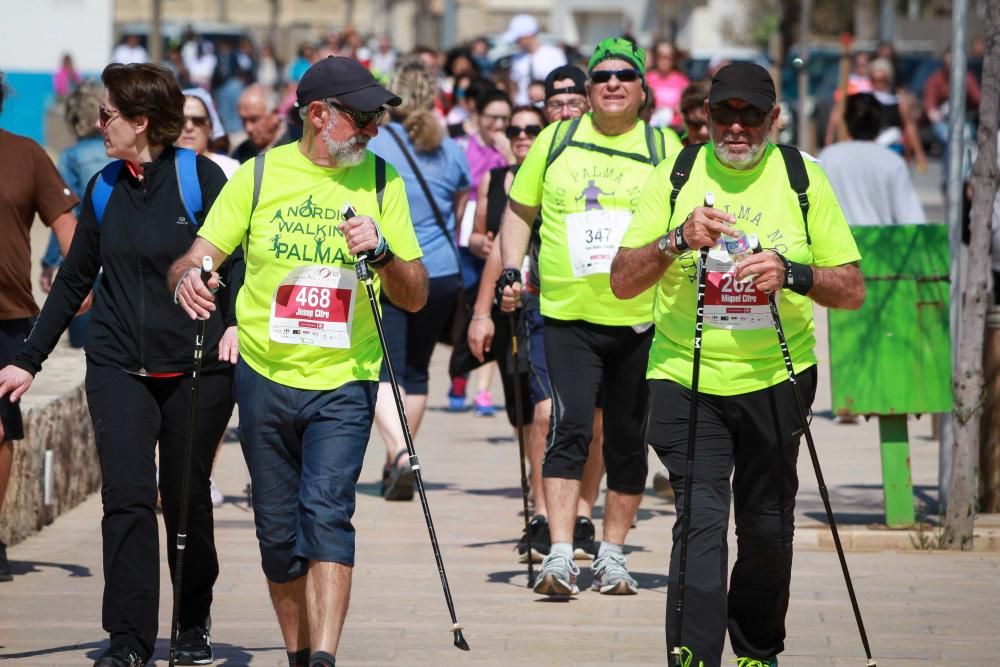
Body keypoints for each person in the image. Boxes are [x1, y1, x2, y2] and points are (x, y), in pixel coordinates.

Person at [169, 56, 426, 667]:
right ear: (318, 115)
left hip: (345, 377)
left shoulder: (384, 182)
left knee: (328, 516)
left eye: (377, 119)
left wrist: (384, 253)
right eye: (361, 119)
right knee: (277, 535)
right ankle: (298, 653)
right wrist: (187, 280)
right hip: (263, 374)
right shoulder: (258, 178)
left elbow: (414, 294)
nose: (372, 131)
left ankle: (324, 659)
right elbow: (196, 255)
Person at [611, 62, 865, 667]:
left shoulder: (803, 177)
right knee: (700, 519)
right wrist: (676, 239)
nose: (736, 127)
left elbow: (852, 288)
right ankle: (693, 655)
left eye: (751, 115)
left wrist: (792, 273)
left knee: (767, 526)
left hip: (777, 376)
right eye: (724, 113)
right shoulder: (674, 175)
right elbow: (622, 281)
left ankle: (756, 650)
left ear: (773, 119)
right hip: (686, 375)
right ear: (705, 116)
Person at [0, 63, 236, 667]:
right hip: (116, 366)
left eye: (108, 116)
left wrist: (232, 322)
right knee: (127, 500)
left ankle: (190, 624)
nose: (96, 123)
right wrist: (29, 360)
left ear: (142, 122)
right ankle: (129, 639)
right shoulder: (105, 186)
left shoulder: (199, 178)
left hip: (195, 367)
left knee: (185, 500)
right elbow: (74, 278)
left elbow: (238, 262)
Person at [498, 37, 681, 597]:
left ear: (643, 88)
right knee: (568, 426)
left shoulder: (663, 146)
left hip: (640, 317)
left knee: (627, 438)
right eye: (601, 76)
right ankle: (558, 553)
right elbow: (518, 212)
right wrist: (511, 270)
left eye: (625, 75)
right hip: (566, 313)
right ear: (587, 88)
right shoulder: (555, 140)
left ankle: (614, 555)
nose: (612, 83)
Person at [367, 62, 471, 500]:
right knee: (417, 368)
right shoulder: (451, 149)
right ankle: (404, 453)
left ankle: (396, 451)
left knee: (381, 366)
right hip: (443, 271)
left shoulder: (377, 144)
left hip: (392, 266)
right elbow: (462, 207)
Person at [0, 71, 80, 585]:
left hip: (7, 314)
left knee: (0, 432)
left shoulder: (26, 154)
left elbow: (68, 228)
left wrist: (85, 283)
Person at [448, 87, 514, 414]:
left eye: (505, 118)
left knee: (494, 307)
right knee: (467, 306)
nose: (499, 124)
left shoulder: (514, 149)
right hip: (468, 235)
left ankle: (483, 390)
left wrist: (510, 154)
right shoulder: (464, 148)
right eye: (493, 117)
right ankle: (460, 371)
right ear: (479, 117)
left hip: (504, 235)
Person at [40, 81, 112, 349]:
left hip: (85, 256)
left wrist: (49, 261)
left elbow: (63, 214)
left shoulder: (71, 157)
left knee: (83, 345)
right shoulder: (121, 151)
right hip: (121, 254)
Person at [820, 93, 926, 227]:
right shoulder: (893, 161)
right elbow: (912, 220)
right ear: (879, 123)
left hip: (837, 244)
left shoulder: (827, 158)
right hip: (881, 245)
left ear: (845, 122)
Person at [868, 58, 927, 170]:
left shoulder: (897, 99)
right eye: (874, 80)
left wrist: (919, 153)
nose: (877, 84)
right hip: (871, 147)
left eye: (881, 80)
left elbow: (909, 125)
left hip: (893, 147)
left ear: (888, 79)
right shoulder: (865, 99)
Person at [504, 14, 567, 105]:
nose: (516, 42)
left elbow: (562, 82)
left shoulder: (554, 54)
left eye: (518, 39)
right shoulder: (516, 58)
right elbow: (513, 86)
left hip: (547, 105)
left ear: (528, 35)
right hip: (522, 106)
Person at [179, 88, 242, 178]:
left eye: (198, 121)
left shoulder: (230, 168)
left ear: (211, 127)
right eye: (181, 120)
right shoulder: (160, 167)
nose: (189, 127)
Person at [231, 83, 290, 163]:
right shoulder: (240, 154)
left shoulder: (298, 144)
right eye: (243, 120)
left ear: (274, 114)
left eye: (254, 119)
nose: (249, 128)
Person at [646, 41, 689, 130]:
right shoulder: (647, 79)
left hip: (676, 129)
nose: (665, 60)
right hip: (652, 128)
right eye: (661, 56)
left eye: (669, 56)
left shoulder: (682, 81)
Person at [679, 79, 711, 146]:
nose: (703, 132)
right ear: (684, 119)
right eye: (695, 124)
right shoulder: (673, 151)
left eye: (710, 125)